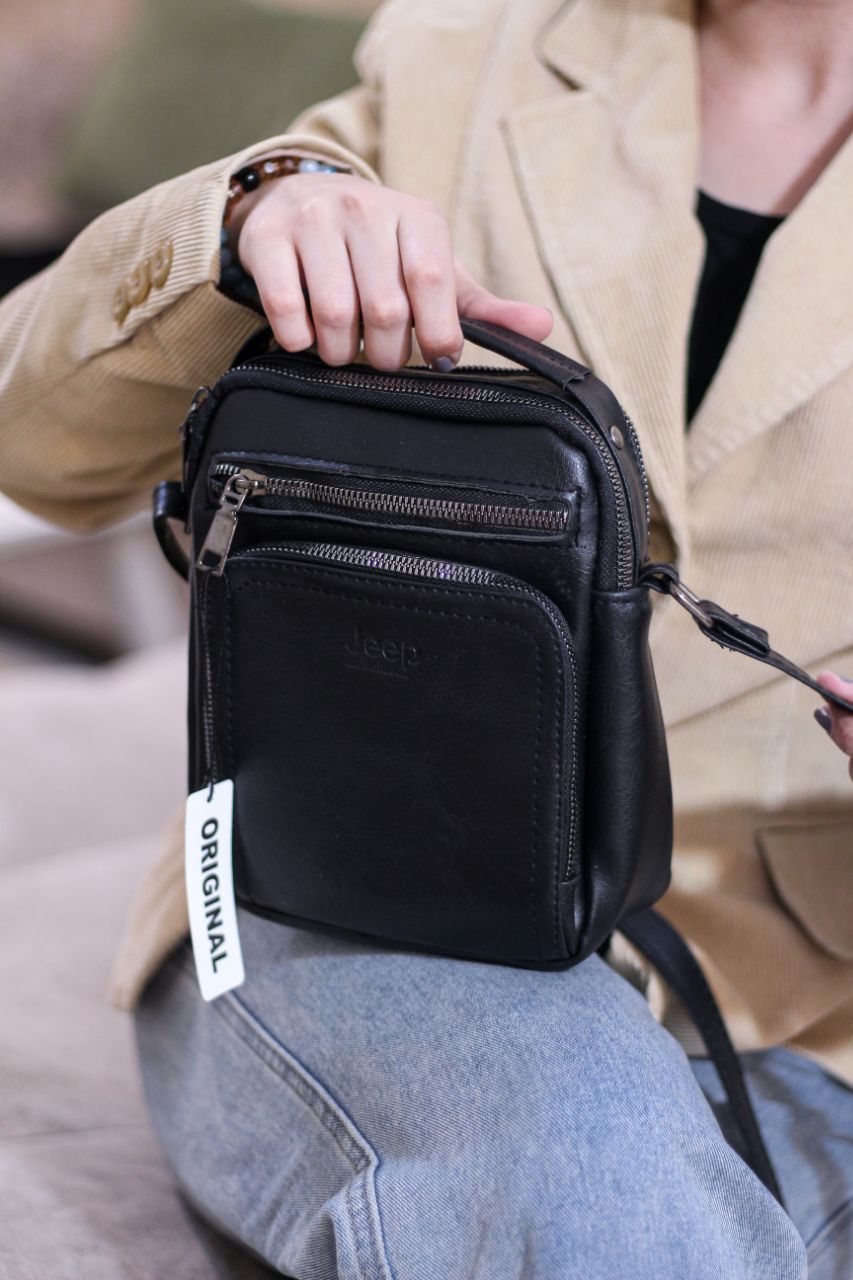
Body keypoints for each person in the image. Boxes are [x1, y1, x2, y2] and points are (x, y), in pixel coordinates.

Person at [1, 0, 852, 1274]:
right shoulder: (471, 45)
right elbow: (35, 449)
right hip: (359, 891)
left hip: (814, 995)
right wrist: (250, 217)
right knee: (589, 1168)